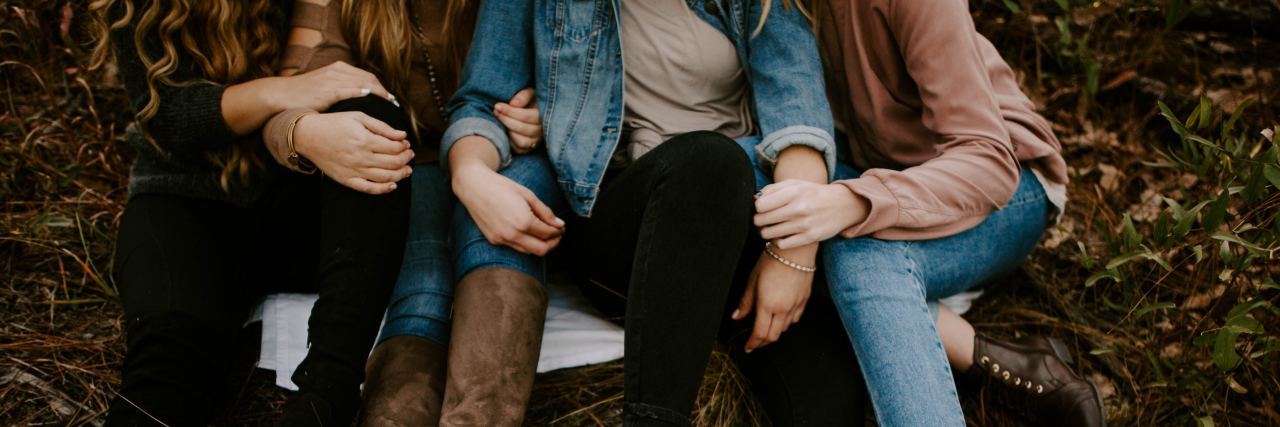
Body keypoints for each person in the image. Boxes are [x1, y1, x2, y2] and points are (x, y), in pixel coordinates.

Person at [447, 0, 867, 425]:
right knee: (708, 163)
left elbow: (799, 121)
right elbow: (482, 103)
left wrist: (792, 253)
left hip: (742, 229)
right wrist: (470, 174)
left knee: (828, 399)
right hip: (627, 226)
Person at [746, 0, 1106, 425]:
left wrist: (855, 203)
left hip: (1004, 187)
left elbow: (988, 160)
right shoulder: (775, 7)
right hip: (879, 175)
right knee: (729, 172)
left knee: (862, 250)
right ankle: (991, 359)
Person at [91, 0, 420, 425]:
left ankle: (326, 396)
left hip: (300, 196)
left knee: (372, 122)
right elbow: (167, 118)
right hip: (188, 198)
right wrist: (279, 91)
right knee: (164, 376)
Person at [259, 0, 548, 424]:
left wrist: (550, 112)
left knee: (496, 253)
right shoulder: (346, 7)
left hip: (509, 158)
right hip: (413, 167)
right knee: (425, 291)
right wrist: (302, 130)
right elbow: (292, 96)